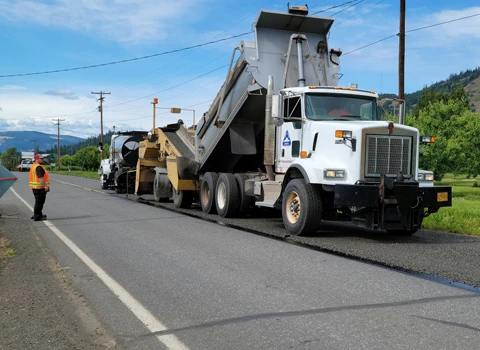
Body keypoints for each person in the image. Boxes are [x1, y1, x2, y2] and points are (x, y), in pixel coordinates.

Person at [29, 154, 50, 221]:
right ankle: (37, 216)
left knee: (38, 202)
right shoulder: (38, 167)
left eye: (43, 158)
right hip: (39, 188)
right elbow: (41, 178)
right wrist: (45, 186)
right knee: (39, 202)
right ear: (37, 159)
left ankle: (38, 214)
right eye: (41, 158)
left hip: (36, 188)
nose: (43, 160)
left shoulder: (34, 166)